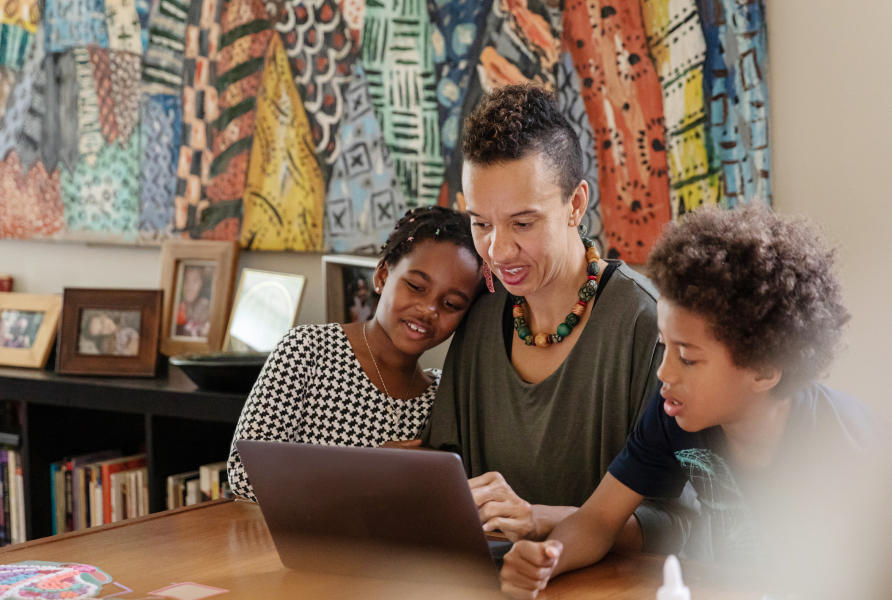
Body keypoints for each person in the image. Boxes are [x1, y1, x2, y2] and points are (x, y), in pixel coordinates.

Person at [500, 205, 884, 598]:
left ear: (764, 370)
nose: (664, 373)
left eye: (688, 358)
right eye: (664, 347)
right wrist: (549, 557)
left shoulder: (846, 445)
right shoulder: (673, 415)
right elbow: (598, 520)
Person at [423, 84, 663, 543]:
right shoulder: (480, 319)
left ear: (575, 205)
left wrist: (540, 519)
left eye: (523, 223)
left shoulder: (644, 325)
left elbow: (674, 524)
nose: (498, 249)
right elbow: (443, 473)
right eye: (481, 223)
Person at [228, 206, 483, 500]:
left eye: (451, 304)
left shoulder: (441, 397)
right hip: (293, 543)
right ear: (382, 275)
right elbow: (244, 472)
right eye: (415, 286)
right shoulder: (308, 350)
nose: (428, 310)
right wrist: (366, 469)